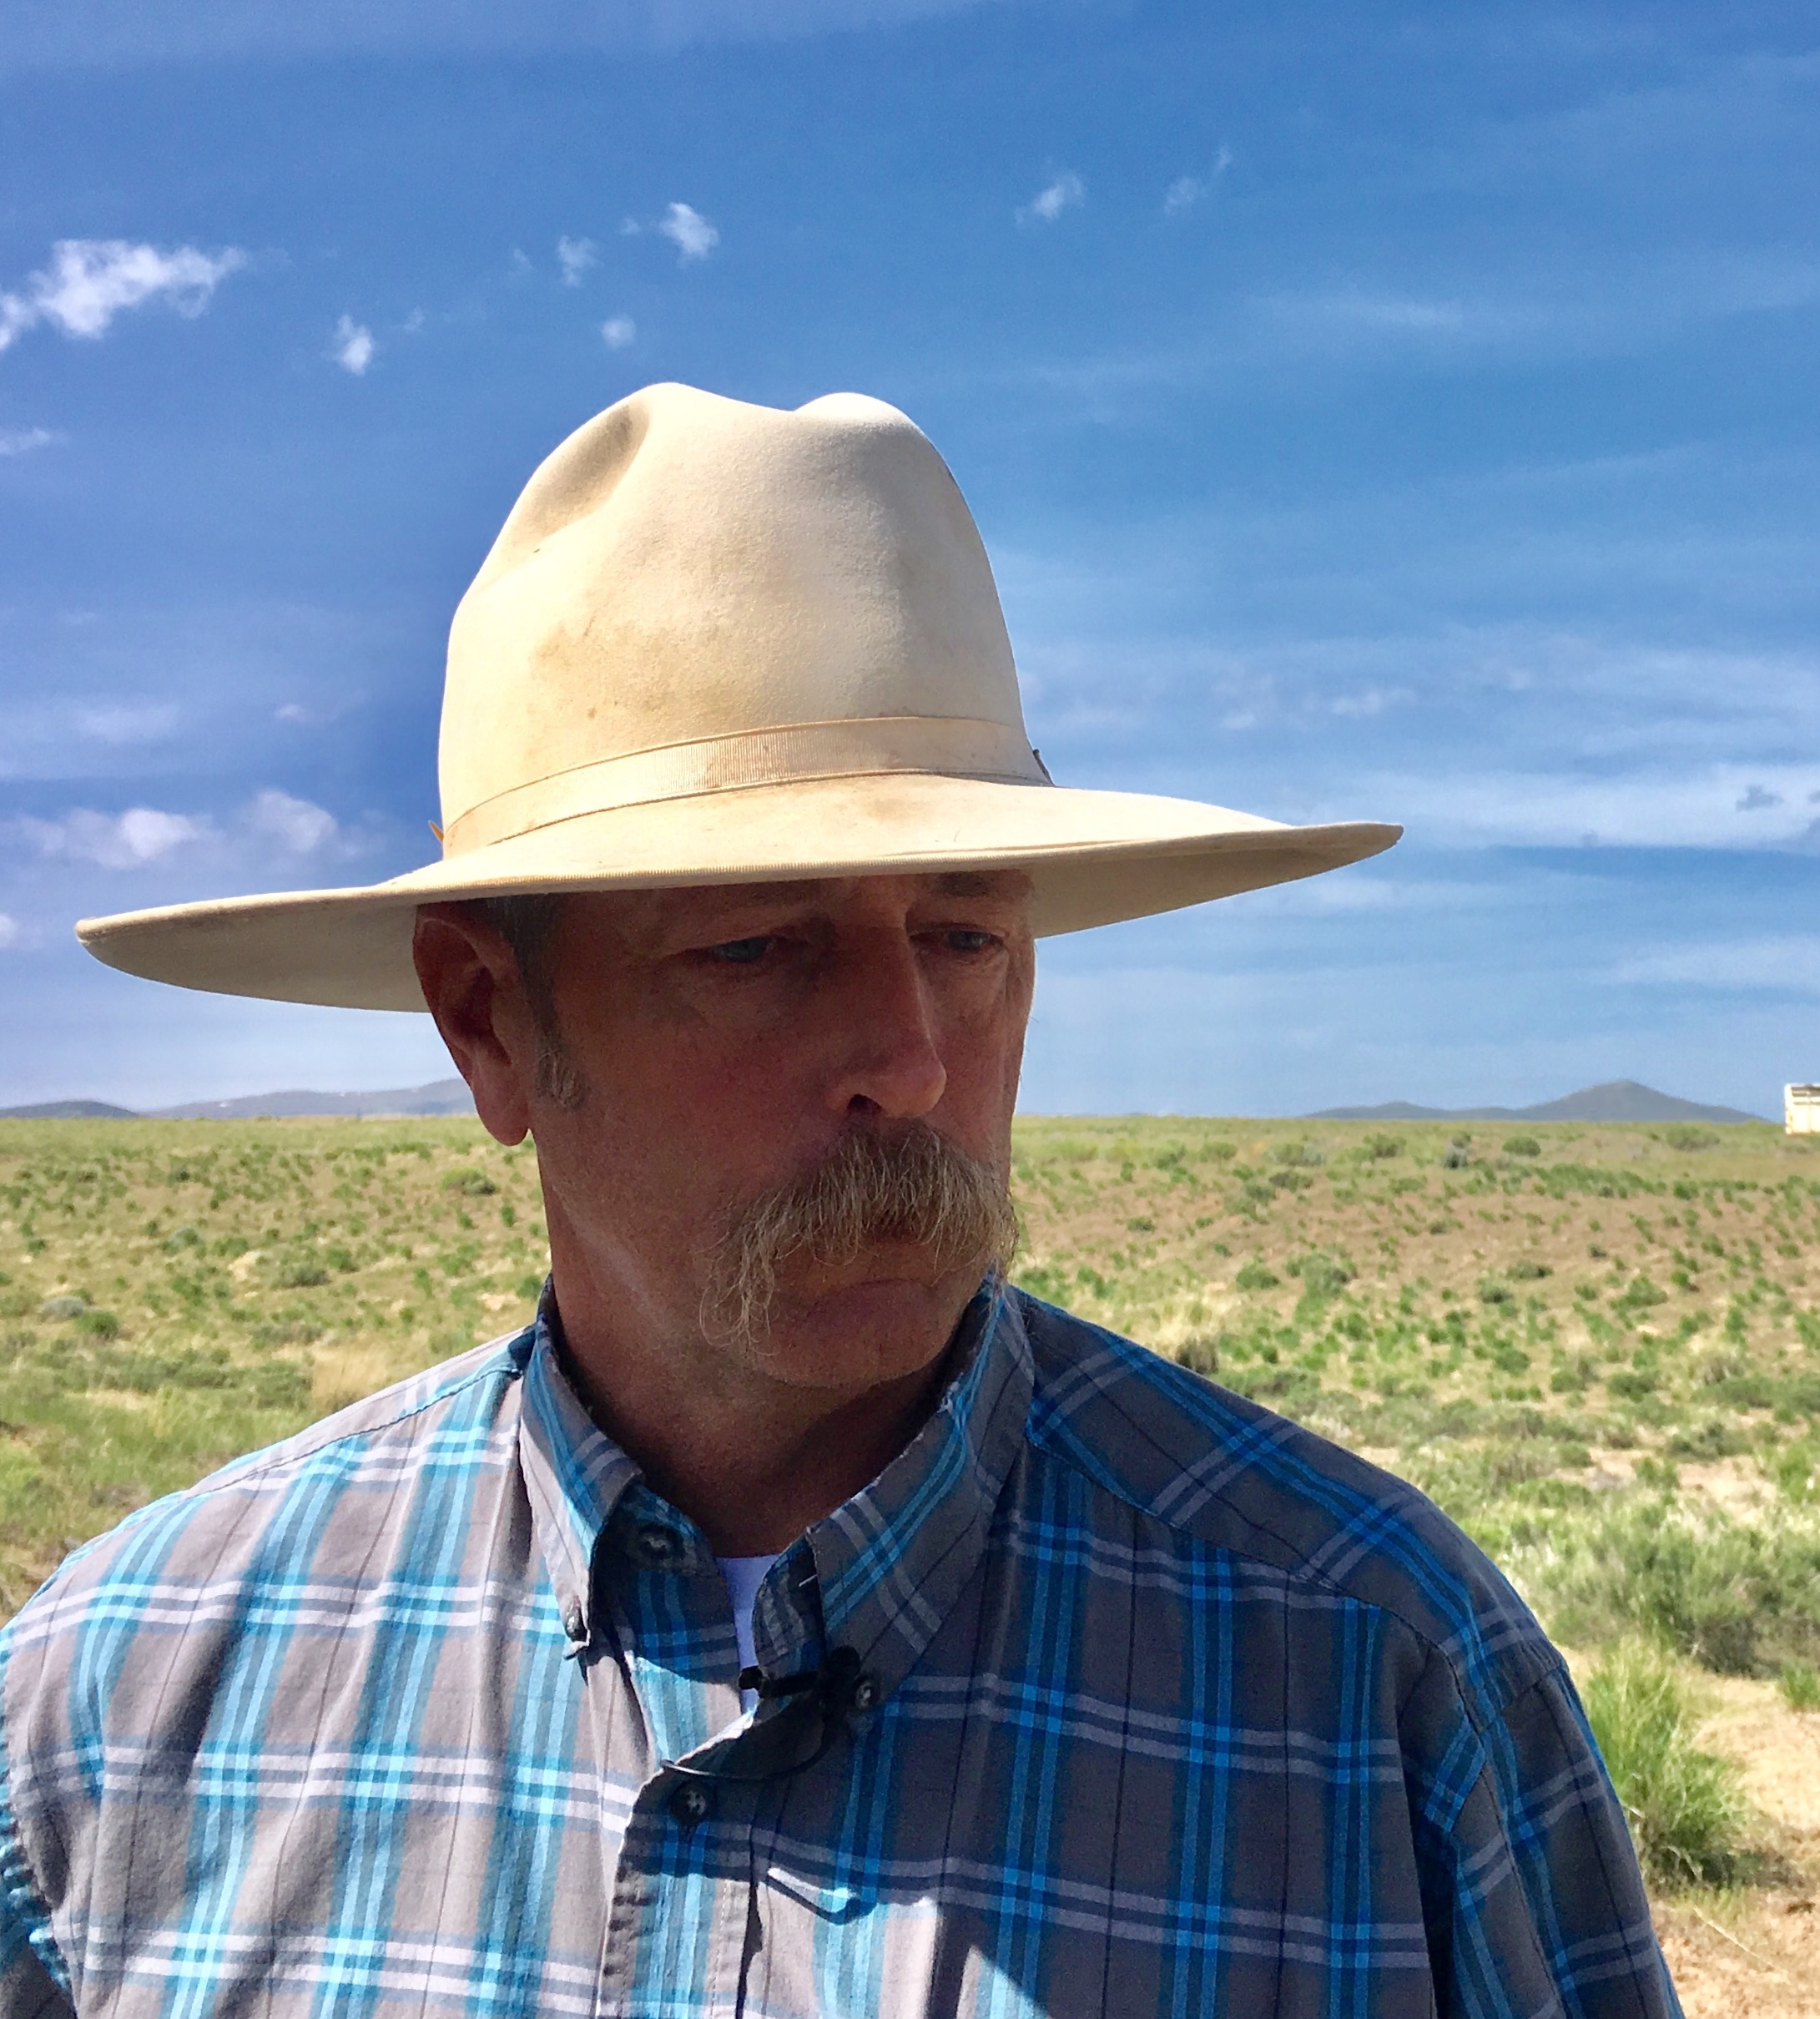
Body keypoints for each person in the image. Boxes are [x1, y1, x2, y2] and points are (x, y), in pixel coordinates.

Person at [3, 385, 1679, 2018]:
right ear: (489, 1024)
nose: (913, 1062)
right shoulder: (120, 1704)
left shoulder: (1374, 1677)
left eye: (966, 935)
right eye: (754, 945)